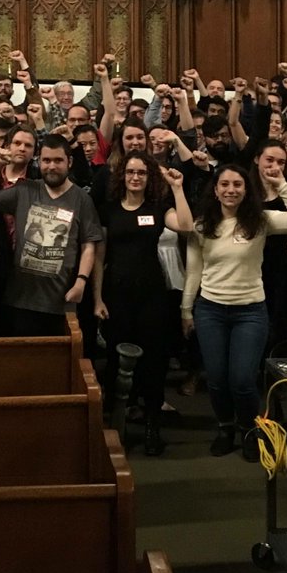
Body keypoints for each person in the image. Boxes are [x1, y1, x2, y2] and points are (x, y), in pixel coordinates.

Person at [182, 161, 287, 459]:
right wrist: (186, 309)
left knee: (241, 379)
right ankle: (225, 427)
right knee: (216, 377)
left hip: (250, 311)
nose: (231, 190)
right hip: (210, 310)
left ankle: (250, 429)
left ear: (246, 189)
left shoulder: (260, 220)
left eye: (237, 184)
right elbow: (193, 271)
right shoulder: (202, 225)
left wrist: (281, 185)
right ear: (215, 190)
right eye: (224, 184)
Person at [93, 152, 193, 456]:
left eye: (142, 173)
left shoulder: (158, 208)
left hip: (151, 294)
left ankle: (152, 424)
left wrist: (177, 188)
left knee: (153, 361)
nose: (135, 177)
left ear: (149, 178)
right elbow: (99, 256)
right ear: (122, 176)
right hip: (116, 293)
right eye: (130, 172)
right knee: (116, 359)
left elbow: (187, 226)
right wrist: (96, 297)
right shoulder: (109, 210)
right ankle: (118, 425)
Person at [0, 135, 102, 336]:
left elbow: (88, 245)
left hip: (59, 300)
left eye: (58, 160)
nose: (51, 166)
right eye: (46, 160)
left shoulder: (82, 199)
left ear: (69, 162)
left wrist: (81, 281)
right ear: (39, 161)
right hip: (19, 298)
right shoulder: (25, 189)